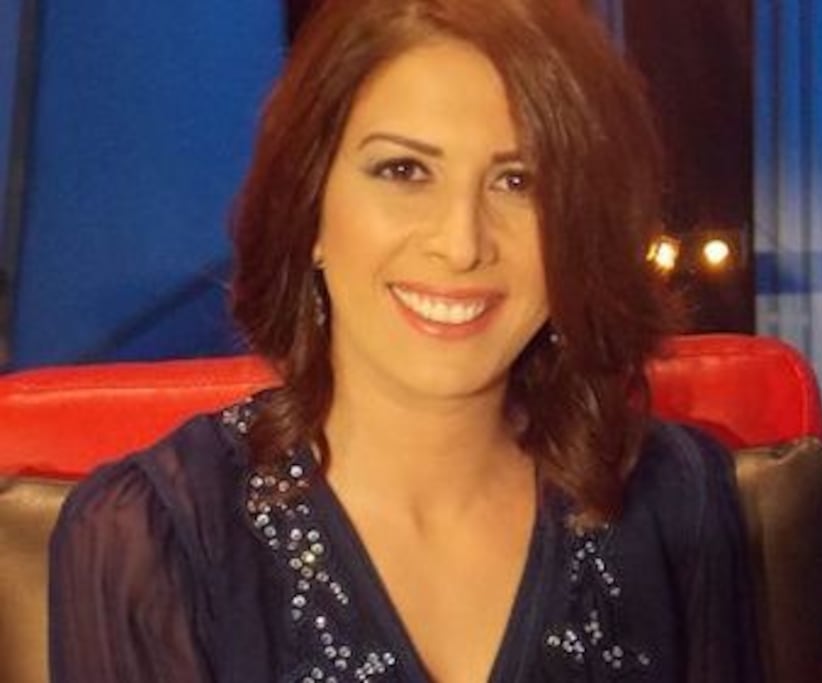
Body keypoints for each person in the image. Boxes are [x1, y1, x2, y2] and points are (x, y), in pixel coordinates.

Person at [48, 1, 762, 681]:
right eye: (404, 171)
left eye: (519, 181)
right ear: (310, 208)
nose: (461, 243)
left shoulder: (677, 499)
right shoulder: (152, 538)